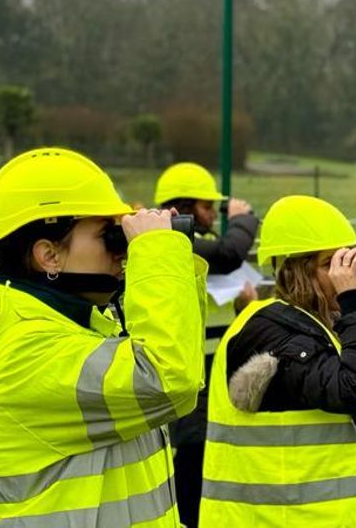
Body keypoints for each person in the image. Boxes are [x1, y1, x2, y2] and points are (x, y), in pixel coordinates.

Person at [0, 147, 208, 527]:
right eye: (107, 233)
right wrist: (157, 254)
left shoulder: (72, 328)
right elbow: (169, 379)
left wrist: (172, 261)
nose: (120, 249)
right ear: (49, 255)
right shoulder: (19, 354)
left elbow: (180, 359)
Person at [199, 195, 356, 528]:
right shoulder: (270, 332)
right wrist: (355, 305)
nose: (345, 275)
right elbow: (354, 390)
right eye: (331, 264)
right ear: (295, 272)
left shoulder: (320, 325)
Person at [154, 161, 260, 527]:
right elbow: (231, 254)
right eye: (206, 206)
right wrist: (245, 219)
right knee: (194, 456)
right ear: (181, 207)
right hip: (191, 377)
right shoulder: (174, 243)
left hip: (213, 372)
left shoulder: (196, 245)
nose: (213, 214)